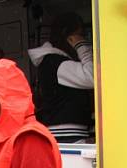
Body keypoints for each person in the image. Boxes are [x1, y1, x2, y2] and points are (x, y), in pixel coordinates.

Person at [28, 12, 94, 143]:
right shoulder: (56, 63)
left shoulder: (52, 61)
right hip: (67, 136)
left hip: (65, 134)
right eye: (80, 35)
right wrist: (82, 47)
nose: (83, 39)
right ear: (68, 37)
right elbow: (92, 77)